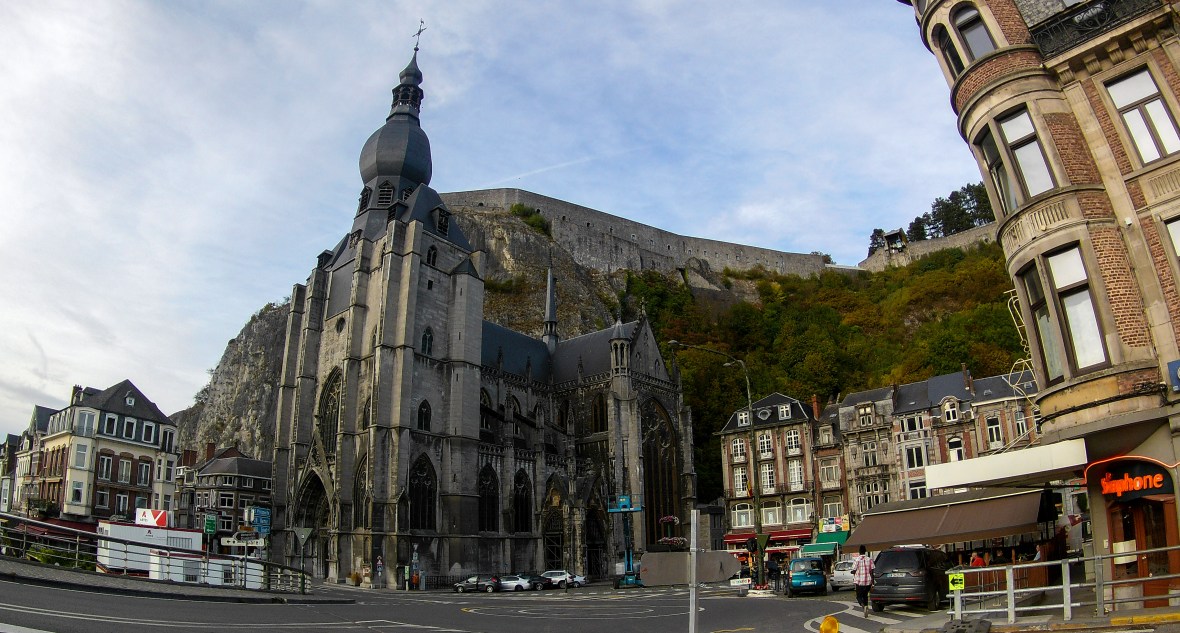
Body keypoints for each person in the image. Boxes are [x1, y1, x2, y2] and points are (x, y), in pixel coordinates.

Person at [853, 545, 874, 617]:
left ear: (859, 551)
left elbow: (854, 570)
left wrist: (853, 572)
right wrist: (873, 582)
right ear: (865, 551)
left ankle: (863, 606)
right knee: (865, 595)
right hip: (868, 581)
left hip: (859, 581)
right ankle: (866, 606)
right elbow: (872, 571)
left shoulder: (857, 560)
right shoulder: (869, 559)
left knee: (858, 596)